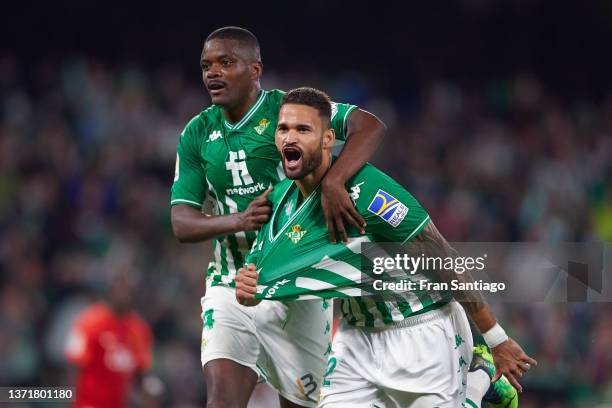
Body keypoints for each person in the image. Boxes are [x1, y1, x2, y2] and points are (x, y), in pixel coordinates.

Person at [235, 87, 537, 407]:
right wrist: (247, 287)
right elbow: (257, 272)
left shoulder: (369, 194)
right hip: (356, 338)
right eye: (283, 129)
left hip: (422, 328)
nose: (289, 138)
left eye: (303, 129)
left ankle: (479, 380)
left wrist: (495, 338)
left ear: (328, 139)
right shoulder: (279, 201)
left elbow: (444, 260)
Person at [170, 27, 386, 407]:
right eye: (206, 65)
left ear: (255, 69)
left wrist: (335, 181)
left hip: (300, 284)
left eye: (225, 62)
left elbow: (368, 126)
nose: (212, 73)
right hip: (232, 282)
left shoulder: (288, 112)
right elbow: (182, 223)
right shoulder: (197, 132)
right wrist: (238, 220)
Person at [65, 273, 154, 408]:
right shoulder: (89, 321)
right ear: (110, 289)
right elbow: (73, 366)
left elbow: (140, 373)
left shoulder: (139, 329)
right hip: (89, 403)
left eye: (129, 290)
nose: (124, 294)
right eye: (120, 288)